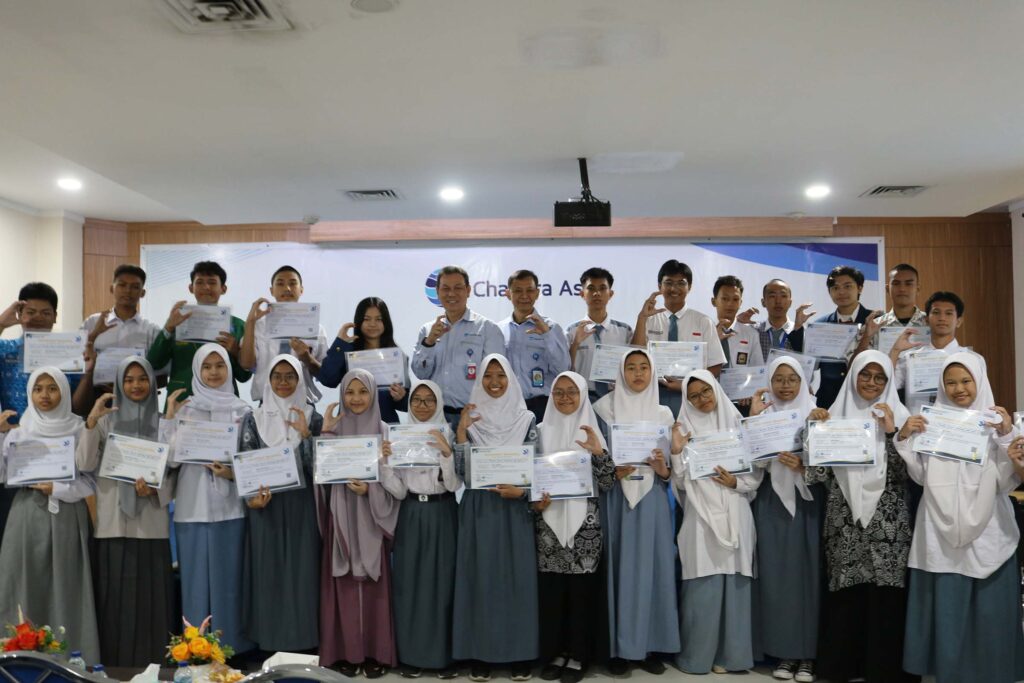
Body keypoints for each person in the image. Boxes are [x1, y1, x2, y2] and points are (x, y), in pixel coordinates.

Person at [895, 353, 1024, 683]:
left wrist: (1007, 436)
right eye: (950, 382)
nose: (958, 389)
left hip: (989, 524)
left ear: (979, 380)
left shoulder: (1001, 424)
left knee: (990, 609)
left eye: (965, 381)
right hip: (938, 522)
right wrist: (906, 438)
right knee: (948, 606)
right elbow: (923, 476)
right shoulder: (933, 422)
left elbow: (1009, 479)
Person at [802, 351, 915, 683]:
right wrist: (814, 433)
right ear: (852, 377)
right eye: (865, 375)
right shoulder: (833, 415)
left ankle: (883, 670)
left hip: (889, 520)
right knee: (846, 596)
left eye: (880, 378)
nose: (871, 383)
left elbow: (910, 473)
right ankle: (843, 666)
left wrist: (893, 433)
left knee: (886, 596)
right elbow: (816, 475)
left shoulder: (902, 416)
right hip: (844, 518)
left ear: (889, 382)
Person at [76, 357, 175, 666]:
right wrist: (91, 422)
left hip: (151, 523)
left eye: (142, 378)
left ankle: (153, 663)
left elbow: (174, 471)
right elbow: (84, 464)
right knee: (114, 597)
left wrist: (156, 490)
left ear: (152, 383)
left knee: (151, 598)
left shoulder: (162, 422)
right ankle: (115, 664)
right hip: (112, 524)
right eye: (129, 379)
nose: (135, 385)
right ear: (119, 384)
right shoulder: (105, 422)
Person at [0, 368, 99, 663]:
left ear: (64, 392)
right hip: (26, 517)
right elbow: (3, 475)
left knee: (66, 586)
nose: (45, 395)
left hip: (66, 515)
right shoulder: (18, 432)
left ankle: (71, 661)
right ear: (30, 393)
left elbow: (90, 480)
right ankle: (17, 661)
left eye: (52, 388)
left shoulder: (80, 428)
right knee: (22, 583)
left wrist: (57, 488)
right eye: (38, 389)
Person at [451, 354, 539, 682]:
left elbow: (536, 465)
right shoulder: (470, 416)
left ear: (512, 379)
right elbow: (461, 473)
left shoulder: (527, 418)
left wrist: (523, 492)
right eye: (488, 376)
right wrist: (461, 433)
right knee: (481, 579)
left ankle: (520, 654)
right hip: (479, 507)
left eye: (501, 375)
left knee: (518, 581)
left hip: (514, 507)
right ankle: (480, 652)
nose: (495, 382)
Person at [592, 349, 679, 676]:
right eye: (631, 368)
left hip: (652, 497)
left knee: (652, 568)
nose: (638, 374)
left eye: (644, 367)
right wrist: (607, 471)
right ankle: (616, 647)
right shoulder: (602, 409)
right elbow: (593, 457)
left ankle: (650, 644)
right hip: (615, 498)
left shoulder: (664, 414)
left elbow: (673, 466)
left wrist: (664, 468)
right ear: (620, 372)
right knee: (618, 568)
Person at [165, 344, 254, 657]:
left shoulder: (243, 410)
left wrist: (231, 472)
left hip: (231, 508)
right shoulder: (186, 409)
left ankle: (232, 649)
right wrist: (170, 421)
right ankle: (195, 650)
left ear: (229, 370)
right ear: (197, 372)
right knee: (195, 584)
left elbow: (251, 460)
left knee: (229, 583)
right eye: (207, 367)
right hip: (192, 508)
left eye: (220, 365)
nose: (214, 372)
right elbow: (171, 461)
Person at [671, 370, 759, 675]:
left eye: (706, 392)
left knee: (734, 585)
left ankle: (731, 657)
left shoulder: (737, 424)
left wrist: (735, 482)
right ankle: (697, 657)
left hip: (735, 510)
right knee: (702, 587)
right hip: (700, 515)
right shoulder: (683, 429)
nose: (701, 400)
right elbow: (680, 483)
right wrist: (676, 451)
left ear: (716, 391)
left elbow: (754, 478)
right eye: (693, 396)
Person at [532, 371, 614, 683]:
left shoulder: (594, 430)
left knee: (582, 594)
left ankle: (579, 656)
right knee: (553, 594)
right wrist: (534, 502)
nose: (565, 398)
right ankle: (556, 652)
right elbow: (529, 478)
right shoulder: (539, 431)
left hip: (586, 526)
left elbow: (607, 482)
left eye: (572, 392)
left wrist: (598, 453)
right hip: (548, 525)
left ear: (582, 395)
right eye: (559, 392)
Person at [318, 369, 399, 678]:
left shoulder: (385, 431)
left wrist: (371, 489)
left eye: (362, 392)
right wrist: (325, 434)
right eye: (349, 393)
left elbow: (397, 485)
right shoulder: (335, 429)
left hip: (370, 516)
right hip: (341, 515)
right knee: (344, 585)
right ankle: (345, 653)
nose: (356, 399)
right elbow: (320, 479)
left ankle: (375, 653)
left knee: (373, 586)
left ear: (372, 394)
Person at [748, 357, 823, 683]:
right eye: (779, 379)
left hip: (808, 501)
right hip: (771, 501)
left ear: (803, 381)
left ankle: (807, 654)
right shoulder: (763, 417)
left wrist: (803, 466)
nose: (786, 385)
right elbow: (751, 466)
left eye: (793, 378)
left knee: (808, 577)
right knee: (777, 578)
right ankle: (783, 651)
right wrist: (753, 428)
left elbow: (831, 464)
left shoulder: (819, 413)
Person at [239, 354, 321, 653]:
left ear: (300, 379)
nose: (284, 382)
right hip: (266, 508)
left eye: (291, 376)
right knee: (268, 572)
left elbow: (318, 469)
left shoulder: (313, 416)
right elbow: (245, 463)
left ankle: (303, 642)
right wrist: (252, 501)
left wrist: (306, 435)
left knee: (303, 573)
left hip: (302, 506)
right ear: (268, 380)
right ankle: (269, 641)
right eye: (277, 376)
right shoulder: (254, 418)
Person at [379, 380, 460, 679]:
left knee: (443, 584)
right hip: (411, 512)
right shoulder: (399, 436)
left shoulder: (448, 433)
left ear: (438, 403)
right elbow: (398, 493)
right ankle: (411, 656)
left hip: (443, 513)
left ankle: (444, 657)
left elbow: (453, 485)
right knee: (410, 584)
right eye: (417, 400)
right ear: (409, 404)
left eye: (429, 400)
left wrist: (446, 454)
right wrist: (386, 463)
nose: (423, 406)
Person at [0, 283, 86, 545]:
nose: (37, 318)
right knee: (12, 531)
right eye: (30, 312)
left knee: (54, 535)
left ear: (55, 316)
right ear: (19, 314)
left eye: (45, 313)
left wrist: (89, 369)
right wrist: (1, 323)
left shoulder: (69, 351)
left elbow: (78, 405)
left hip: (57, 449)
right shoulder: (6, 350)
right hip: (16, 447)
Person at [412, 266, 504, 429]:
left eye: (458, 288)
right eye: (445, 288)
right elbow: (421, 373)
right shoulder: (427, 330)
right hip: (436, 417)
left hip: (475, 417)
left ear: (468, 290)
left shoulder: (488, 329)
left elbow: (496, 380)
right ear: (437, 292)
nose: (451, 294)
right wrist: (430, 341)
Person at [631, 259, 726, 416]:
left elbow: (715, 365)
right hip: (652, 394)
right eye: (668, 283)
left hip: (692, 396)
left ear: (690, 287)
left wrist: (686, 384)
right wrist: (642, 318)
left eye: (681, 283)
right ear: (659, 286)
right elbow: (634, 356)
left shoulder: (703, 321)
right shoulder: (648, 319)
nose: (674, 288)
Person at [146, 261, 250, 401]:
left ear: (223, 288)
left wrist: (236, 352)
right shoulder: (177, 322)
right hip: (182, 399)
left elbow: (244, 377)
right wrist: (168, 329)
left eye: (212, 282)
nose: (206, 287)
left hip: (223, 403)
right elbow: (154, 363)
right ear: (191, 287)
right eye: (200, 282)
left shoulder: (238, 326)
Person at [239, 265, 328, 404]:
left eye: (293, 284)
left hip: (304, 405)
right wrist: (250, 323)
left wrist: (307, 358)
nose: (287, 289)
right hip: (267, 404)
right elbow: (246, 364)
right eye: (280, 284)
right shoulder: (258, 326)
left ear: (301, 289)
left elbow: (325, 375)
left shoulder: (316, 329)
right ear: (271, 290)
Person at [788, 265, 874, 408]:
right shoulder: (820, 325)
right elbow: (809, 365)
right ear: (829, 292)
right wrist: (798, 330)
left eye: (847, 286)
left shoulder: (874, 320)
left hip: (867, 399)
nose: (841, 292)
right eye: (835, 288)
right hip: (829, 401)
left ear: (860, 288)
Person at [77, 264, 164, 403]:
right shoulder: (92, 323)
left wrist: (133, 387)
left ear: (142, 293)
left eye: (135, 287)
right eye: (122, 285)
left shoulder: (152, 330)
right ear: (112, 288)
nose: (128, 291)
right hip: (95, 397)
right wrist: (93, 336)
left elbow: (162, 376)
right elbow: (77, 361)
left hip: (136, 401)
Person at [319, 297, 410, 424]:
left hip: (385, 428)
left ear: (386, 323)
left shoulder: (397, 356)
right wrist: (339, 343)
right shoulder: (347, 352)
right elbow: (327, 379)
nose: (372, 324)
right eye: (367, 319)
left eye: (378, 319)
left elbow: (406, 405)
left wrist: (401, 397)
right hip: (350, 428)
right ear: (359, 321)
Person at [498, 270, 570, 422]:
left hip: (542, 406)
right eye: (518, 290)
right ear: (507, 294)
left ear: (537, 293)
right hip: (507, 407)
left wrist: (546, 335)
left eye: (529, 290)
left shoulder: (551, 327)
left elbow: (563, 369)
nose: (524, 296)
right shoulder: (498, 330)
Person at [890, 291, 982, 403]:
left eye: (948, 313)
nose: (942, 318)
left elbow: (982, 398)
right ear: (926, 320)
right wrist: (895, 350)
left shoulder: (974, 359)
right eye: (936, 312)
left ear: (958, 321)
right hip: (917, 419)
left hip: (957, 419)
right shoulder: (910, 358)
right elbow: (888, 386)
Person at [564, 268, 634, 402]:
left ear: (610, 294)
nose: (597, 293)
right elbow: (565, 370)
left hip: (616, 396)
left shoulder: (625, 331)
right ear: (582, 294)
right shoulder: (572, 331)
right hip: (581, 397)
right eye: (591, 288)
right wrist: (575, 344)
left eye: (602, 288)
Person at [853, 263, 927, 356]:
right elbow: (855, 366)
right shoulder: (874, 326)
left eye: (908, 284)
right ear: (888, 289)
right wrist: (866, 337)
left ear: (918, 289)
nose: (902, 289)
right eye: (896, 283)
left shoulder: (930, 323)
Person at [737, 279, 800, 363]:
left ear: (790, 302)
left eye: (783, 296)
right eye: (772, 296)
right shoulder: (753, 330)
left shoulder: (799, 332)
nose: (778, 301)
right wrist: (736, 322)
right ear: (763, 302)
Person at [710, 276, 763, 369]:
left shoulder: (751, 334)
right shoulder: (703, 330)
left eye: (735, 299)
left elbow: (758, 370)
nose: (730, 304)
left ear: (740, 303)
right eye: (725, 298)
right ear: (714, 301)